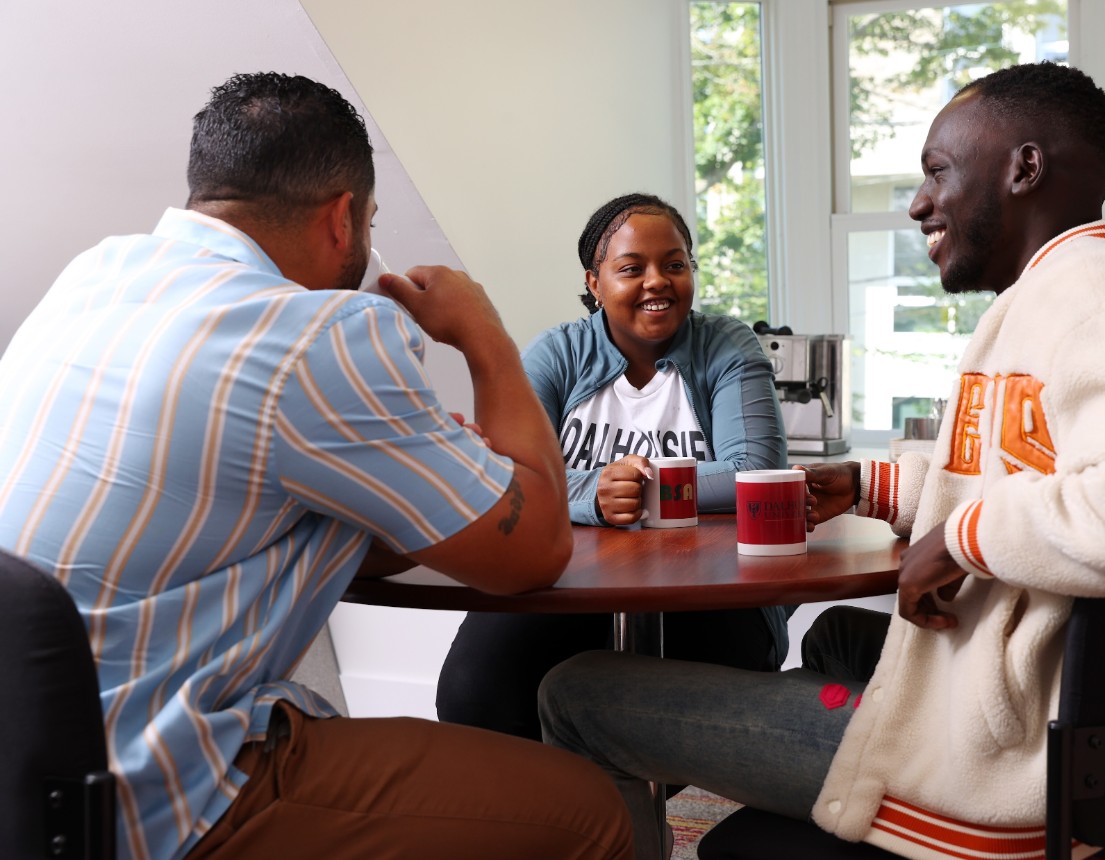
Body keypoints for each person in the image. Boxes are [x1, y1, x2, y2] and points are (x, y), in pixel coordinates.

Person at [538, 61, 1105, 860]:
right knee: (833, 650)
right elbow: (1036, 472)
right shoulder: (1077, 297)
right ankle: (821, 742)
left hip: (1002, 761)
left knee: (577, 691)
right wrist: (877, 484)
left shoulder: (1101, 304)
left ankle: (851, 768)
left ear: (1024, 169)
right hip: (1031, 703)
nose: (921, 202)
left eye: (937, 172)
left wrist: (965, 538)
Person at [0, 72, 633, 860]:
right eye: (369, 220)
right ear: (343, 219)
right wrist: (484, 334)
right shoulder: (316, 334)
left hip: (26, 763)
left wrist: (423, 483)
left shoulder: (94, 279)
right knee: (590, 811)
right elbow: (534, 551)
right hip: (154, 790)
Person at [435, 193, 791, 741]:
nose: (658, 281)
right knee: (473, 694)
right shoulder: (557, 354)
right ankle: (569, 817)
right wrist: (592, 493)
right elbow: (504, 471)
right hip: (567, 583)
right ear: (594, 283)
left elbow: (756, 471)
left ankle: (633, 817)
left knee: (661, 721)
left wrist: (642, 490)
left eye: (675, 264)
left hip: (711, 590)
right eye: (632, 268)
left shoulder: (727, 346)